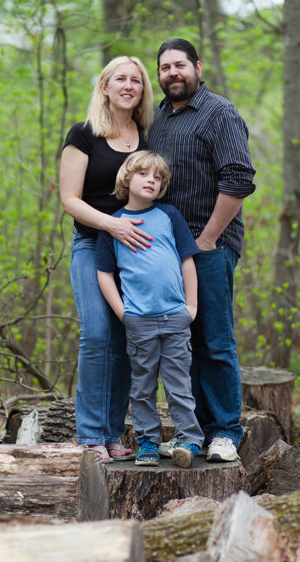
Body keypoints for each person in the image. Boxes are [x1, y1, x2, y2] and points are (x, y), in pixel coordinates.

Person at [147, 38, 256, 463]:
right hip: (165, 253)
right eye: (164, 68)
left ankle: (226, 431)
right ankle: (192, 434)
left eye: (179, 65)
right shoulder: (158, 119)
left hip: (209, 246)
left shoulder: (219, 113)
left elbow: (240, 179)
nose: (172, 73)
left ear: (197, 66)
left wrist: (208, 238)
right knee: (180, 344)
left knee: (213, 340)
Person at [59, 56, 155, 462]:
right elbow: (69, 199)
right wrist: (111, 225)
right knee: (97, 335)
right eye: (121, 78)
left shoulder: (149, 135)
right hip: (91, 246)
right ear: (105, 86)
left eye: (136, 80)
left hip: (134, 253)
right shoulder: (84, 134)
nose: (128, 85)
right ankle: (90, 436)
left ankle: (114, 433)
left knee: (125, 340)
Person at [95, 151, 204, 468]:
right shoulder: (114, 225)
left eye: (158, 178)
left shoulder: (170, 216)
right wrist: (122, 313)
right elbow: (104, 273)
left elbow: (187, 260)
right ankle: (146, 444)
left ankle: (188, 441)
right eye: (144, 174)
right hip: (138, 321)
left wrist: (192, 305)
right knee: (141, 387)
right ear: (128, 178)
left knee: (179, 386)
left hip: (175, 318)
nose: (152, 181)